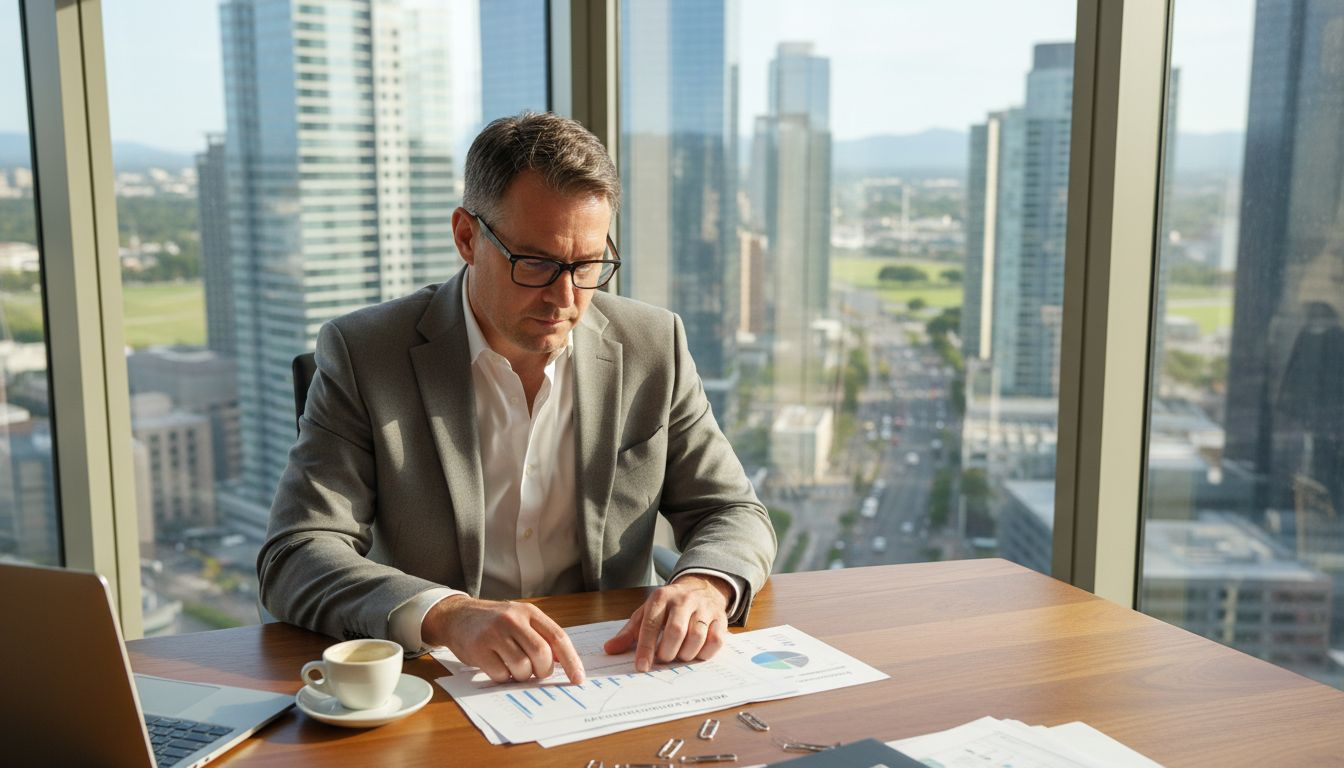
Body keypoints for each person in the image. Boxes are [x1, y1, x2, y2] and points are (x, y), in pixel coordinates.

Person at [258, 112, 776, 686]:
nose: (566, 298)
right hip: (445, 681)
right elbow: (297, 554)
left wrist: (704, 584)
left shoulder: (654, 345)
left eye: (586, 265)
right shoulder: (365, 354)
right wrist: (446, 614)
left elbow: (732, 511)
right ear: (466, 237)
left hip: (615, 667)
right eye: (536, 263)